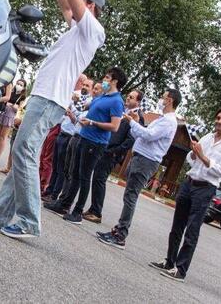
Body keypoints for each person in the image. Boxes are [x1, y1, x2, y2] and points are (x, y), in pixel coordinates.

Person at [0, 0, 106, 239]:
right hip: (46, 96)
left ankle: (30, 220)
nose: (76, 0)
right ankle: (0, 214)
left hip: (51, 99)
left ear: (91, 5)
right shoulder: (77, 29)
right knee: (23, 151)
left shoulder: (93, 30)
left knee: (25, 151)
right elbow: (66, 2)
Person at [151, 109, 221, 282]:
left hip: (205, 189)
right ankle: (169, 261)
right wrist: (193, 152)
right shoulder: (207, 137)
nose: (219, 121)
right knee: (177, 226)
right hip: (189, 183)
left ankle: (181, 270)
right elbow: (192, 160)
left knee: (192, 230)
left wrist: (202, 156)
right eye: (218, 118)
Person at [96, 88, 182, 249]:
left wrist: (133, 122)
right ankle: (118, 230)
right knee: (129, 195)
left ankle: (121, 235)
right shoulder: (162, 119)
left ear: (170, 100)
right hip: (140, 157)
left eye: (163, 97)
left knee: (131, 197)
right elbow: (141, 135)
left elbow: (149, 136)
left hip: (146, 161)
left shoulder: (169, 121)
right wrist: (136, 123)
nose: (160, 100)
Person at [44, 68, 126, 223]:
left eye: (107, 77)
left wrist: (92, 122)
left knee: (84, 177)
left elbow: (115, 126)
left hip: (95, 143)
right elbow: (86, 108)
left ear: (115, 81)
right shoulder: (102, 97)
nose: (104, 80)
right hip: (84, 137)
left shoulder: (117, 101)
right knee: (74, 173)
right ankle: (64, 204)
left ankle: (77, 212)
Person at [84, 89, 145, 222]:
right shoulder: (124, 111)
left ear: (138, 102)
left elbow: (131, 139)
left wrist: (114, 151)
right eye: (128, 96)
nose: (127, 98)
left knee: (100, 179)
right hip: (105, 148)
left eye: (131, 97)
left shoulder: (138, 117)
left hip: (112, 153)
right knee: (96, 178)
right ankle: (93, 209)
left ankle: (97, 212)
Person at [43, 77, 93, 201]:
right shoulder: (75, 96)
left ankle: (54, 194)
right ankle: (49, 190)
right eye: (84, 85)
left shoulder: (89, 103)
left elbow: (79, 118)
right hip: (62, 132)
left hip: (71, 135)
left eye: (88, 86)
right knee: (55, 165)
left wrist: (72, 111)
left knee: (62, 168)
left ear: (91, 90)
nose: (84, 87)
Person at [0, 79, 26, 165]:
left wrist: (14, 106)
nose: (19, 85)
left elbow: (20, 109)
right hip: (4, 113)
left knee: (3, 137)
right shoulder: (12, 92)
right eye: (18, 83)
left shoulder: (22, 97)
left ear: (24, 87)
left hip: (10, 116)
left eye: (21, 85)